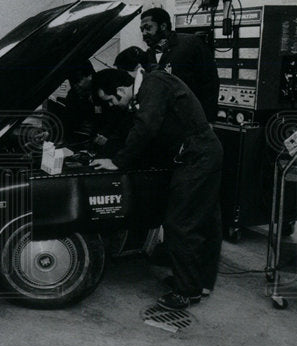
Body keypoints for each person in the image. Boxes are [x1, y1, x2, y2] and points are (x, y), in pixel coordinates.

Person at [88, 67, 223, 310]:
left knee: (180, 222)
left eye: (111, 101)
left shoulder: (154, 83)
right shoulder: (148, 89)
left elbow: (146, 128)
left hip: (197, 156)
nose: (112, 106)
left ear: (120, 90)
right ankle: (198, 282)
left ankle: (186, 292)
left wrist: (118, 162)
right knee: (204, 219)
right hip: (200, 153)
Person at [139, 7, 220, 122]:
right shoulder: (150, 54)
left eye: (148, 28)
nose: (144, 33)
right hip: (166, 123)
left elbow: (210, 82)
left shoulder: (191, 44)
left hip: (191, 120)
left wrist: (208, 119)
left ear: (163, 26)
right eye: (142, 30)